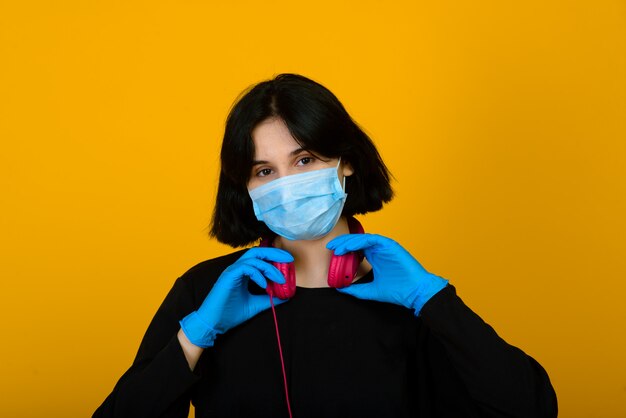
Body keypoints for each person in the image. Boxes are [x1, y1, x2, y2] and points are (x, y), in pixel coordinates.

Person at [93, 73, 558, 418]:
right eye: (265, 171)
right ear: (246, 187)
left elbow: (532, 408)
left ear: (346, 163)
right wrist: (193, 339)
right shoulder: (204, 292)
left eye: (305, 159)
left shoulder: (405, 295)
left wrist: (434, 302)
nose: (287, 183)